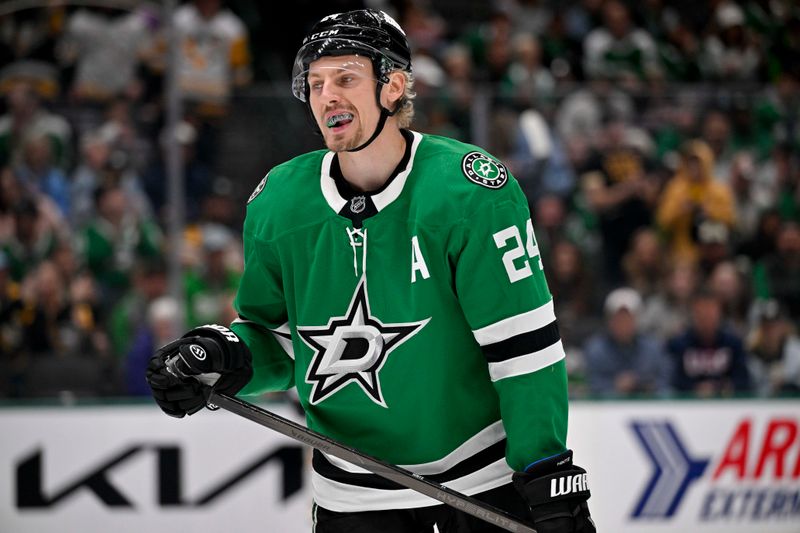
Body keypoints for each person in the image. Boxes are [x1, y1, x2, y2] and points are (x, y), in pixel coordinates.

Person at [145, 9, 594, 533]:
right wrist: (220, 355)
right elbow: (282, 342)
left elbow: (522, 349)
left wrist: (545, 469)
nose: (326, 96)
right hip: (352, 502)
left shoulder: (469, 194)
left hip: (480, 490)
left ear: (393, 86)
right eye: (315, 84)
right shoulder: (280, 205)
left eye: (345, 79)